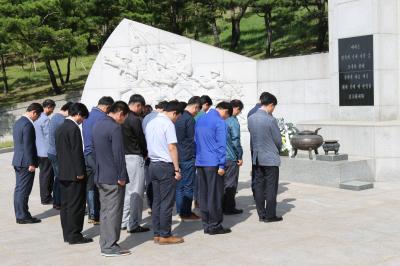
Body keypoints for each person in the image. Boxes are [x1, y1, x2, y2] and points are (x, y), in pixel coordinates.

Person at [93, 101, 131, 257]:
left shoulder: (97, 124)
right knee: (114, 212)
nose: (123, 121)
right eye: (124, 118)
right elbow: (118, 155)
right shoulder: (115, 128)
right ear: (120, 113)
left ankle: (105, 243)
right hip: (113, 178)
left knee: (105, 212)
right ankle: (109, 246)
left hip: (101, 175)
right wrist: (122, 176)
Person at [145, 100, 184, 245]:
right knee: (167, 202)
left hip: (153, 164)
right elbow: (172, 147)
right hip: (165, 165)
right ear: (174, 113)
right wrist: (176, 169)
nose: (176, 119)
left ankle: (157, 233)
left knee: (157, 201)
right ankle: (165, 235)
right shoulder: (168, 124)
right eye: (177, 117)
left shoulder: (151, 121)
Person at [56, 103, 92, 244]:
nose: (82, 120)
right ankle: (75, 235)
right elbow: (76, 152)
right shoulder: (73, 128)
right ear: (77, 114)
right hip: (74, 174)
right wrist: (80, 172)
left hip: (63, 172)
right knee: (76, 206)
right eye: (82, 117)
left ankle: (67, 234)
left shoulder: (61, 127)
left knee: (66, 205)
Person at [195, 101, 232, 235]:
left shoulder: (200, 119)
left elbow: (196, 141)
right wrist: (222, 164)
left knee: (203, 194)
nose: (225, 119)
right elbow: (221, 145)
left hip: (200, 162)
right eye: (226, 116)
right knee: (215, 195)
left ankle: (206, 224)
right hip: (213, 163)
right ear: (225, 111)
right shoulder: (219, 122)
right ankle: (215, 225)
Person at [247, 92, 283, 223]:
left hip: (257, 157)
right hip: (270, 158)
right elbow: (278, 140)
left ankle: (261, 214)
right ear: (271, 105)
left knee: (259, 186)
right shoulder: (270, 119)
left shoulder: (251, 118)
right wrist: (277, 150)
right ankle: (270, 215)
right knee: (271, 187)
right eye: (274, 107)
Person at [82, 96, 114, 225]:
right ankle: (99, 214)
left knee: (90, 185)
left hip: (87, 154)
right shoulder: (102, 118)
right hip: (97, 155)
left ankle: (92, 214)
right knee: (101, 184)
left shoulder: (88, 116)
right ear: (107, 107)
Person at [121, 94, 149, 233]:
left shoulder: (122, 117)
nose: (141, 111)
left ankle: (124, 221)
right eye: (141, 108)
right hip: (135, 156)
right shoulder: (134, 119)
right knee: (137, 192)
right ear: (138, 105)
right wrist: (145, 153)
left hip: (124, 157)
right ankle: (134, 223)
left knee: (128, 192)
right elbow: (141, 139)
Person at [12, 103, 44, 224]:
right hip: (26, 162)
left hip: (18, 160)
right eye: (38, 115)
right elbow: (28, 146)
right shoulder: (27, 124)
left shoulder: (19, 122)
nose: (37, 118)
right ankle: (23, 216)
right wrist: (32, 163)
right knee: (24, 190)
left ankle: (20, 214)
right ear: (34, 112)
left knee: (19, 189)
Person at [174, 96, 201, 221]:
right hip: (187, 156)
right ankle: (186, 213)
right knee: (188, 186)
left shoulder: (177, 117)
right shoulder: (189, 119)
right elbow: (192, 140)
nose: (197, 113)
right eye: (197, 110)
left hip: (176, 156)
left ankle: (180, 211)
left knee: (179, 186)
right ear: (195, 107)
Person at [142, 100, 167, 211]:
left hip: (148, 154)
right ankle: (156, 205)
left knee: (150, 182)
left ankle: (152, 205)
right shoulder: (160, 119)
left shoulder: (145, 119)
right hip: (157, 156)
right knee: (158, 185)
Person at [48, 101, 73, 210]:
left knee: (57, 177)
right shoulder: (62, 120)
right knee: (61, 178)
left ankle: (57, 201)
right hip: (58, 153)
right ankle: (59, 202)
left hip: (52, 152)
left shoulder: (54, 117)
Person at [223, 99, 244, 215]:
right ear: (236, 109)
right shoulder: (233, 121)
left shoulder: (222, 120)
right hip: (231, 157)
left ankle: (221, 205)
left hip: (220, 157)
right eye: (239, 111)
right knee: (231, 183)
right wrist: (239, 156)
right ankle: (229, 207)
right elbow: (235, 141)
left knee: (222, 183)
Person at [34, 99, 56, 205]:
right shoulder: (45, 119)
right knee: (48, 176)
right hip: (46, 152)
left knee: (43, 175)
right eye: (52, 109)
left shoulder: (36, 118)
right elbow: (49, 137)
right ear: (49, 107)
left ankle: (44, 196)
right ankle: (46, 197)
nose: (52, 111)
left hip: (38, 151)